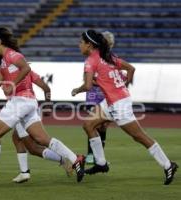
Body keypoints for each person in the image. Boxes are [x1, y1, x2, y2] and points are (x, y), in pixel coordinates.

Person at [0, 27, 85, 184]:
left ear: (0, 41)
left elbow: (27, 68)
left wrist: (12, 85)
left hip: (20, 101)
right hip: (28, 103)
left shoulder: (12, 55)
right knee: (41, 139)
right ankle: (74, 158)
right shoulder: (4, 61)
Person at [71, 29, 178, 185]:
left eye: (81, 42)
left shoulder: (91, 61)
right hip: (113, 100)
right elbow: (131, 69)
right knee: (88, 124)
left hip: (118, 103)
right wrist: (123, 86)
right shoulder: (108, 56)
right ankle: (101, 163)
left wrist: (76, 90)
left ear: (89, 45)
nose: (78, 45)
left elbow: (87, 86)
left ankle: (168, 165)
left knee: (139, 136)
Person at [0, 53, 73, 183]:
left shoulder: (3, 75)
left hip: (21, 109)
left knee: (33, 147)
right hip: (26, 107)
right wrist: (48, 104)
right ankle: (24, 172)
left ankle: (64, 159)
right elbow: (46, 87)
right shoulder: (23, 72)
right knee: (17, 139)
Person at [85, 31, 114, 164]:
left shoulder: (112, 59)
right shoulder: (92, 58)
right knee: (93, 124)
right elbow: (87, 78)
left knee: (103, 126)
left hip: (107, 95)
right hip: (94, 94)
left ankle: (99, 157)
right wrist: (103, 81)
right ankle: (90, 154)